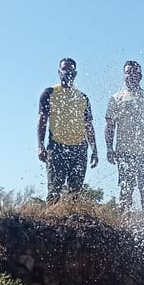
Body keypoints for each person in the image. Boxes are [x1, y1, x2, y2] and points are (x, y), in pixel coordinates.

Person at [105, 61, 144, 211]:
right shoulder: (116, 98)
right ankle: (124, 222)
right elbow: (110, 125)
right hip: (124, 153)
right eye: (128, 72)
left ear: (140, 76)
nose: (131, 75)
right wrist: (109, 148)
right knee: (126, 190)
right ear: (124, 75)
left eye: (134, 72)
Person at [37, 58, 98, 202]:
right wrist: (40, 146)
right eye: (64, 69)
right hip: (56, 147)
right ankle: (51, 214)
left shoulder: (83, 97)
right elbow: (42, 121)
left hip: (79, 149)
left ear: (75, 73)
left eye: (71, 70)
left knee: (75, 194)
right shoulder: (49, 93)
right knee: (54, 192)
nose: (67, 72)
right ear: (59, 72)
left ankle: (73, 215)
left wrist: (94, 149)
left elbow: (88, 125)